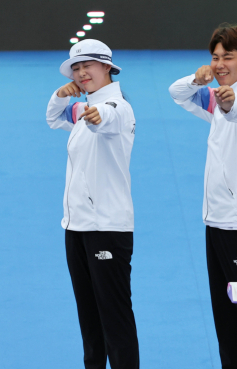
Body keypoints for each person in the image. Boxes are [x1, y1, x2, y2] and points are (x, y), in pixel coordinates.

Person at [168, 24, 237, 369]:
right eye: (215, 57)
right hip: (216, 223)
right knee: (226, 322)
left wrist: (228, 99)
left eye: (227, 57)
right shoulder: (216, 98)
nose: (219, 64)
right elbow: (177, 93)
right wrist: (198, 81)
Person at [45, 39, 139, 369]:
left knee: (115, 321)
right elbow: (53, 117)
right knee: (90, 323)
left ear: (107, 67)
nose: (82, 72)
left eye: (88, 65)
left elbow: (106, 117)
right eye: (76, 68)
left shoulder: (116, 107)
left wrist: (97, 114)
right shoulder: (85, 106)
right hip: (77, 228)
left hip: (107, 229)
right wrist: (62, 94)